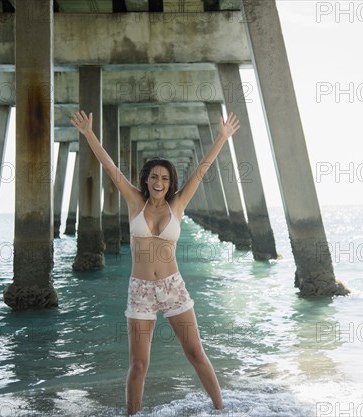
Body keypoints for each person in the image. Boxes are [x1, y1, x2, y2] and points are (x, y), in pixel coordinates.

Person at [70, 110, 240, 415]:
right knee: (138, 365)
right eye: (154, 176)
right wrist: (88, 134)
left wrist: (223, 137)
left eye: (164, 177)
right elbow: (109, 167)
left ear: (170, 182)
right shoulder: (135, 201)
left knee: (196, 353)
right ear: (146, 180)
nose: (158, 181)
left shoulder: (178, 204)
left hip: (173, 287)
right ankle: (131, 414)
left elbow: (201, 170)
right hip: (141, 291)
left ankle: (221, 409)